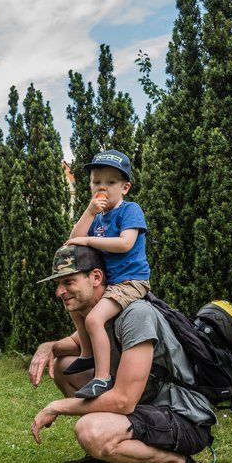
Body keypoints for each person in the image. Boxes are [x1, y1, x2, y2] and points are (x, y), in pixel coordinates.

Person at [31, 245, 215, 463]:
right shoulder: (97, 314)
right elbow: (73, 345)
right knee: (64, 366)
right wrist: (47, 347)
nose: (59, 292)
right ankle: (111, 460)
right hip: (147, 406)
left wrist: (57, 406)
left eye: (68, 282)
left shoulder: (134, 314)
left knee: (91, 430)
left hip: (182, 417)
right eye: (58, 284)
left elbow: (123, 401)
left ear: (96, 278)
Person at [62, 150, 150, 401]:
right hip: (111, 282)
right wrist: (89, 212)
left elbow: (125, 244)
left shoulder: (130, 210)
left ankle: (101, 378)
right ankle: (87, 355)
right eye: (96, 182)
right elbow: (73, 241)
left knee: (93, 320)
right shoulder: (98, 217)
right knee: (77, 309)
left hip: (131, 281)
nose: (103, 188)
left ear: (125, 187)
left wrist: (90, 239)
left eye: (111, 183)